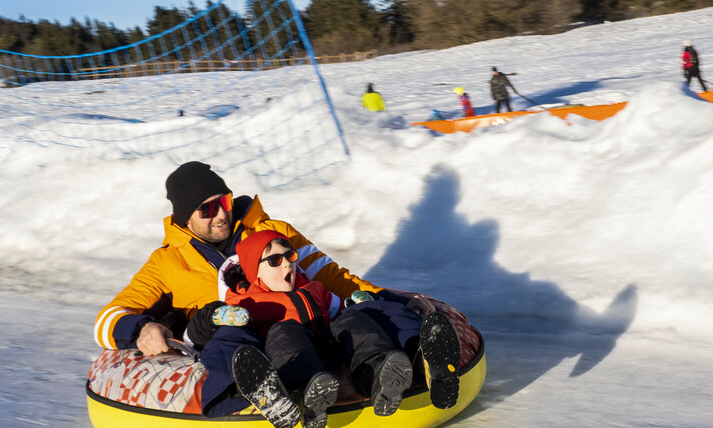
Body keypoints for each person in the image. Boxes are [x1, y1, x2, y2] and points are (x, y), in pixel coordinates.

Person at [93, 161, 460, 424]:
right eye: (207, 209)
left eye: (224, 201)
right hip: (245, 332)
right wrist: (140, 329)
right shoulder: (166, 263)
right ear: (184, 218)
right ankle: (259, 391)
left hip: (304, 318)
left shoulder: (272, 231)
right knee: (233, 339)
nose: (220, 214)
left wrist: (383, 299)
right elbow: (107, 319)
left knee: (365, 313)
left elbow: (330, 275)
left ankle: (424, 360)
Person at [213, 231, 415, 428]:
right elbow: (236, 340)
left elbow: (340, 310)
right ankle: (306, 395)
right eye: (274, 260)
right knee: (285, 331)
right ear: (253, 271)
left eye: (290, 255)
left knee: (352, 319)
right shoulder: (247, 304)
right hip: (292, 361)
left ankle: (378, 374)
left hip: (327, 351)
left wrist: (358, 304)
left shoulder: (312, 288)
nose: (286, 263)